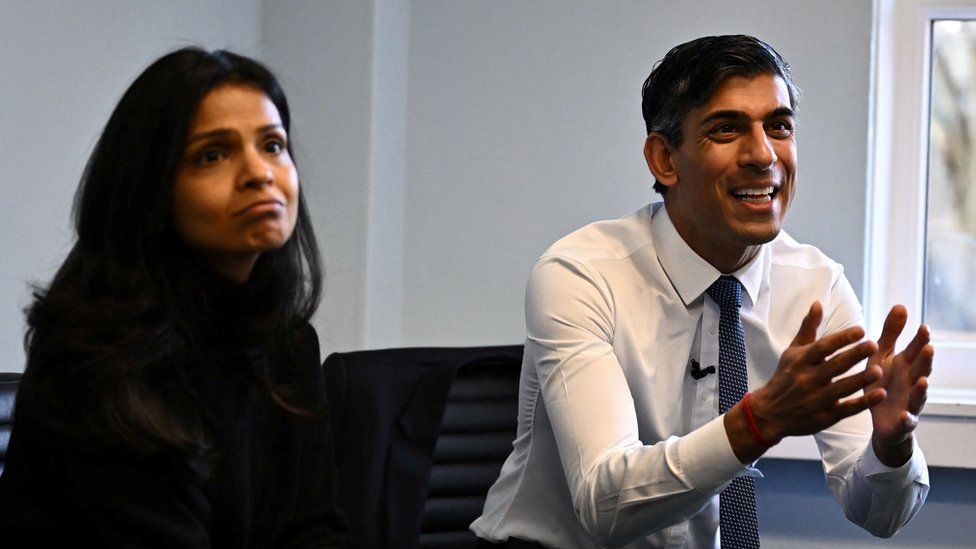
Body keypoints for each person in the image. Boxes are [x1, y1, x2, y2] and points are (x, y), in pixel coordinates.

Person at [472, 35, 932, 548]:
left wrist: (892, 449)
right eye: (726, 129)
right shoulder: (580, 274)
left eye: (779, 126)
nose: (763, 155)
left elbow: (879, 516)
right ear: (665, 159)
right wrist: (760, 422)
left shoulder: (816, 286)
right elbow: (604, 503)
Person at [0, 48, 350, 547]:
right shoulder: (95, 355)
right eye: (213, 154)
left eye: (272, 145)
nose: (259, 173)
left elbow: (313, 530)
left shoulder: (286, 343)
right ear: (152, 193)